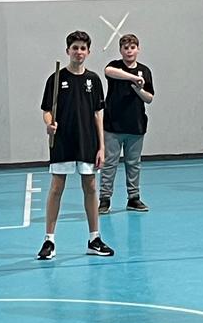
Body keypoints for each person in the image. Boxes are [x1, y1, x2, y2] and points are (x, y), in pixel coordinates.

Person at [38, 31, 114, 260]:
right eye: (75, 48)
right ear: (67, 50)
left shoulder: (94, 80)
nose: (79, 52)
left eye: (83, 48)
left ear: (88, 52)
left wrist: (101, 147)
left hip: (87, 142)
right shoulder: (56, 79)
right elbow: (46, 110)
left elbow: (98, 115)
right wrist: (50, 124)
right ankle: (49, 241)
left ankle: (94, 238)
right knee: (56, 188)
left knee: (90, 188)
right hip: (62, 142)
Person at [100, 33, 155, 213]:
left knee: (133, 163)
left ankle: (133, 198)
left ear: (138, 49)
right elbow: (108, 71)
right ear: (121, 50)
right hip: (113, 126)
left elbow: (149, 98)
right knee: (109, 163)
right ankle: (105, 199)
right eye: (126, 48)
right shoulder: (115, 66)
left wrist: (139, 89)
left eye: (132, 47)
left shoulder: (145, 71)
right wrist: (132, 78)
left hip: (136, 125)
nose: (129, 51)